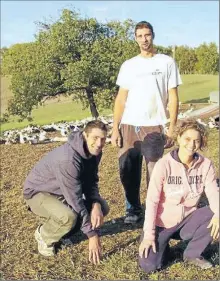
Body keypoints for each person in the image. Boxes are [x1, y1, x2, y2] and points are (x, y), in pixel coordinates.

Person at [111, 21, 182, 224]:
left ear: (153, 36)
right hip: (130, 124)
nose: (144, 39)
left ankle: (153, 211)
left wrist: (172, 127)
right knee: (127, 169)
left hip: (155, 124)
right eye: (140, 36)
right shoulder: (129, 65)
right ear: (135, 38)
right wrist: (115, 128)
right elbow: (121, 99)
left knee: (154, 172)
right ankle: (133, 209)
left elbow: (174, 97)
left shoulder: (166, 62)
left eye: (147, 35)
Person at [24, 120, 109, 265]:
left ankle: (64, 233)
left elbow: (91, 181)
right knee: (68, 217)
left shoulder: (95, 152)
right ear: (85, 136)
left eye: (103, 139)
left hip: (62, 192)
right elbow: (75, 199)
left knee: (103, 207)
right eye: (95, 138)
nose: (99, 143)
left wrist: (95, 203)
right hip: (38, 193)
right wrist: (92, 235)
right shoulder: (68, 159)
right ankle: (44, 235)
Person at [139, 119, 219, 272]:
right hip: (161, 224)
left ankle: (192, 254)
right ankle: (161, 245)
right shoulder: (163, 164)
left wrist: (218, 215)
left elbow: (213, 192)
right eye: (187, 139)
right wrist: (149, 235)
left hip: (187, 220)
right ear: (179, 138)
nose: (192, 144)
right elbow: (152, 201)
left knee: (215, 211)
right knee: (149, 267)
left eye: (197, 140)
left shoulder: (205, 165)